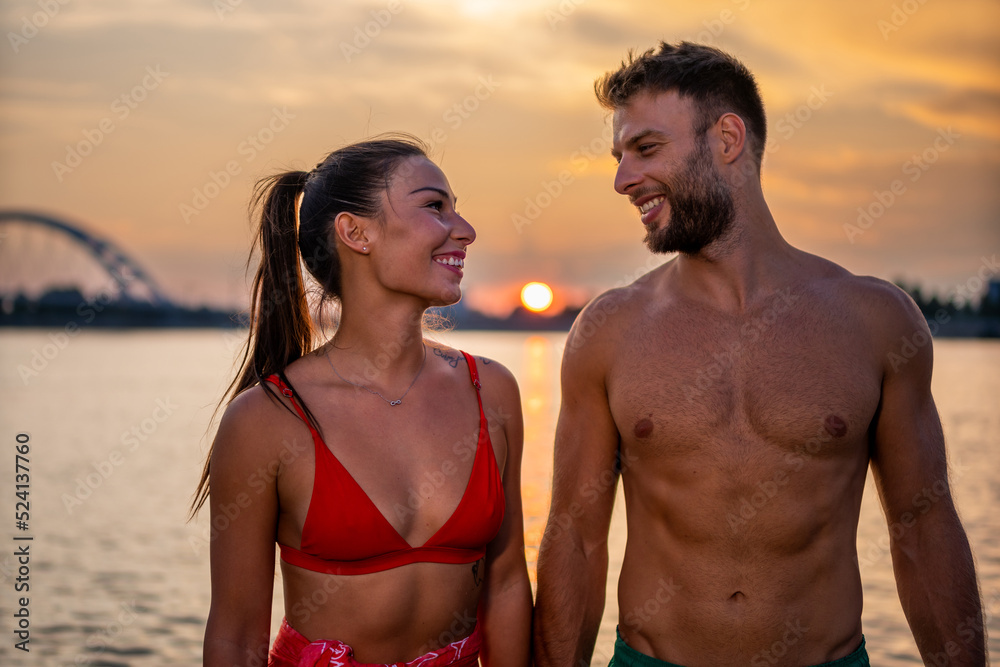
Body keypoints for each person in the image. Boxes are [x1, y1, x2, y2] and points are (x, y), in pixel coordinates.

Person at [533, 42, 985, 667]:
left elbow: (924, 530)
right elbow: (576, 541)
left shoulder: (874, 322)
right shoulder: (608, 331)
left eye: (645, 148)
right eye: (618, 157)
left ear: (726, 138)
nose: (621, 180)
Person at [192, 135, 532, 667]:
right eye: (434, 206)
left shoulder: (491, 390)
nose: (464, 230)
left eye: (456, 208)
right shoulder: (267, 419)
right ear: (356, 232)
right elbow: (235, 637)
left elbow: (507, 582)